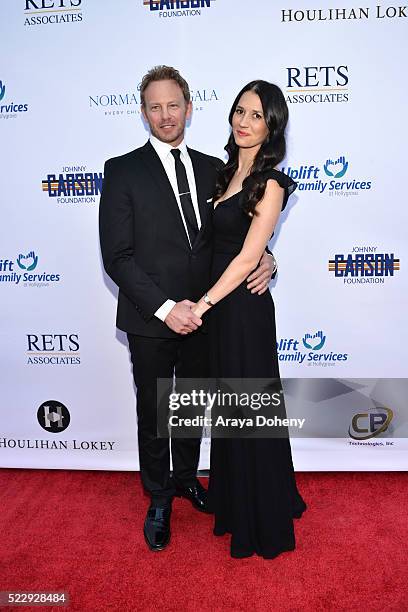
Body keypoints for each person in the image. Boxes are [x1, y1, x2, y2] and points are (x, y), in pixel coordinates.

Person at [99, 66, 276, 552]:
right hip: (151, 318)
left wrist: (269, 256)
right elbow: (116, 255)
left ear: (190, 108)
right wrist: (162, 308)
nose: (165, 114)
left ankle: (183, 478)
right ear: (143, 113)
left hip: (206, 314)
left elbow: (238, 234)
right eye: (154, 106)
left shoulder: (212, 167)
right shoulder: (122, 170)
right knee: (155, 412)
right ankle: (158, 498)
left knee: (191, 404)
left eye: (173, 104)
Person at [192, 80, 307, 559]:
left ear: (272, 125)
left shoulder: (271, 183)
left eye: (257, 115)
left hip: (239, 309)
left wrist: (202, 306)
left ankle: (260, 517)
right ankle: (236, 498)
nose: (244, 121)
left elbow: (245, 258)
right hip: (221, 309)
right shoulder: (222, 175)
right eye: (240, 111)